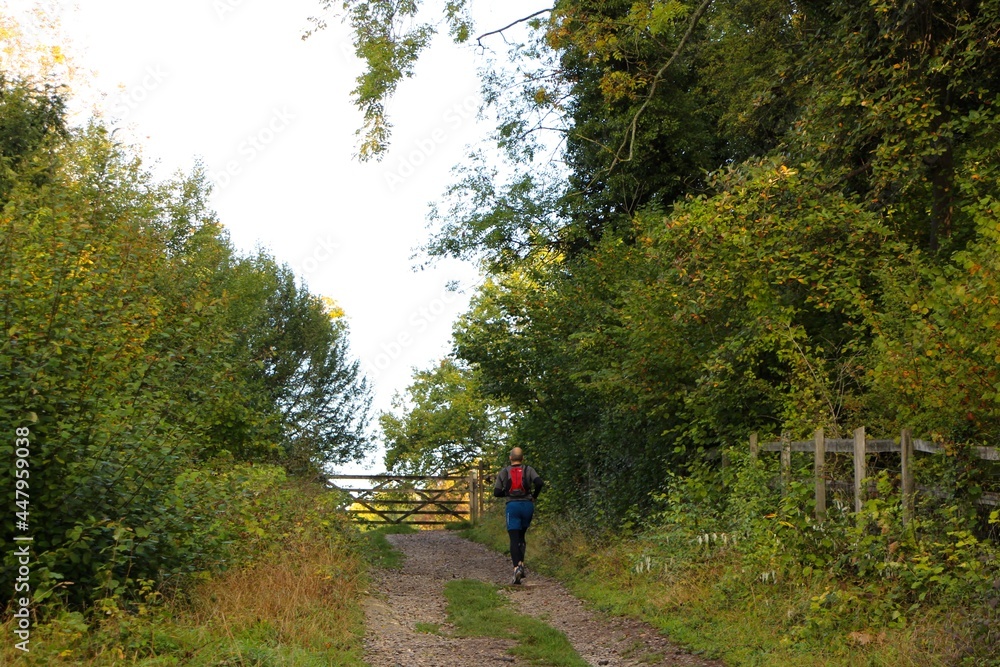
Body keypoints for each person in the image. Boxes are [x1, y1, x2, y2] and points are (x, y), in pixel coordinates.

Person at [493, 447, 543, 585]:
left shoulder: (504, 471)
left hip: (513, 507)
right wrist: (534, 496)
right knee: (522, 536)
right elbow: (539, 483)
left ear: (510, 458)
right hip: (527, 506)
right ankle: (521, 564)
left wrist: (508, 494)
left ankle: (517, 568)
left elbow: (496, 492)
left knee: (514, 538)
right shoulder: (528, 469)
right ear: (522, 458)